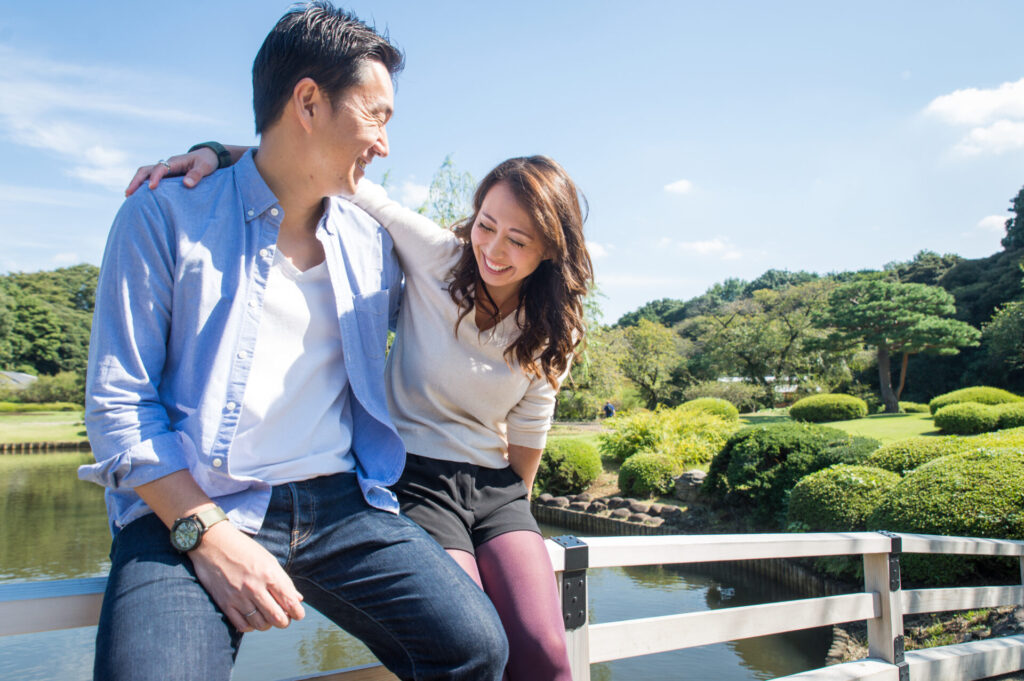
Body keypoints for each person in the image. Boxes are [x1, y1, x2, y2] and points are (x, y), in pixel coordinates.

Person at [80, 4, 508, 681]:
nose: (385, 145)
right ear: (308, 100)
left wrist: (228, 147)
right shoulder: (162, 214)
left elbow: (481, 273)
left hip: (341, 506)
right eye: (377, 117)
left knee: (476, 646)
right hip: (190, 500)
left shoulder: (372, 244)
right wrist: (208, 533)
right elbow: (118, 405)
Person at [133, 153, 592, 680]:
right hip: (416, 478)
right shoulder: (439, 257)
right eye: (486, 226)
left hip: (497, 489)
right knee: (473, 637)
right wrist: (220, 153)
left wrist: (516, 518)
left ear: (551, 251)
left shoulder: (557, 324)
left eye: (518, 240)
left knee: (546, 653)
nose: (492, 249)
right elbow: (334, 174)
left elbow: (531, 430)